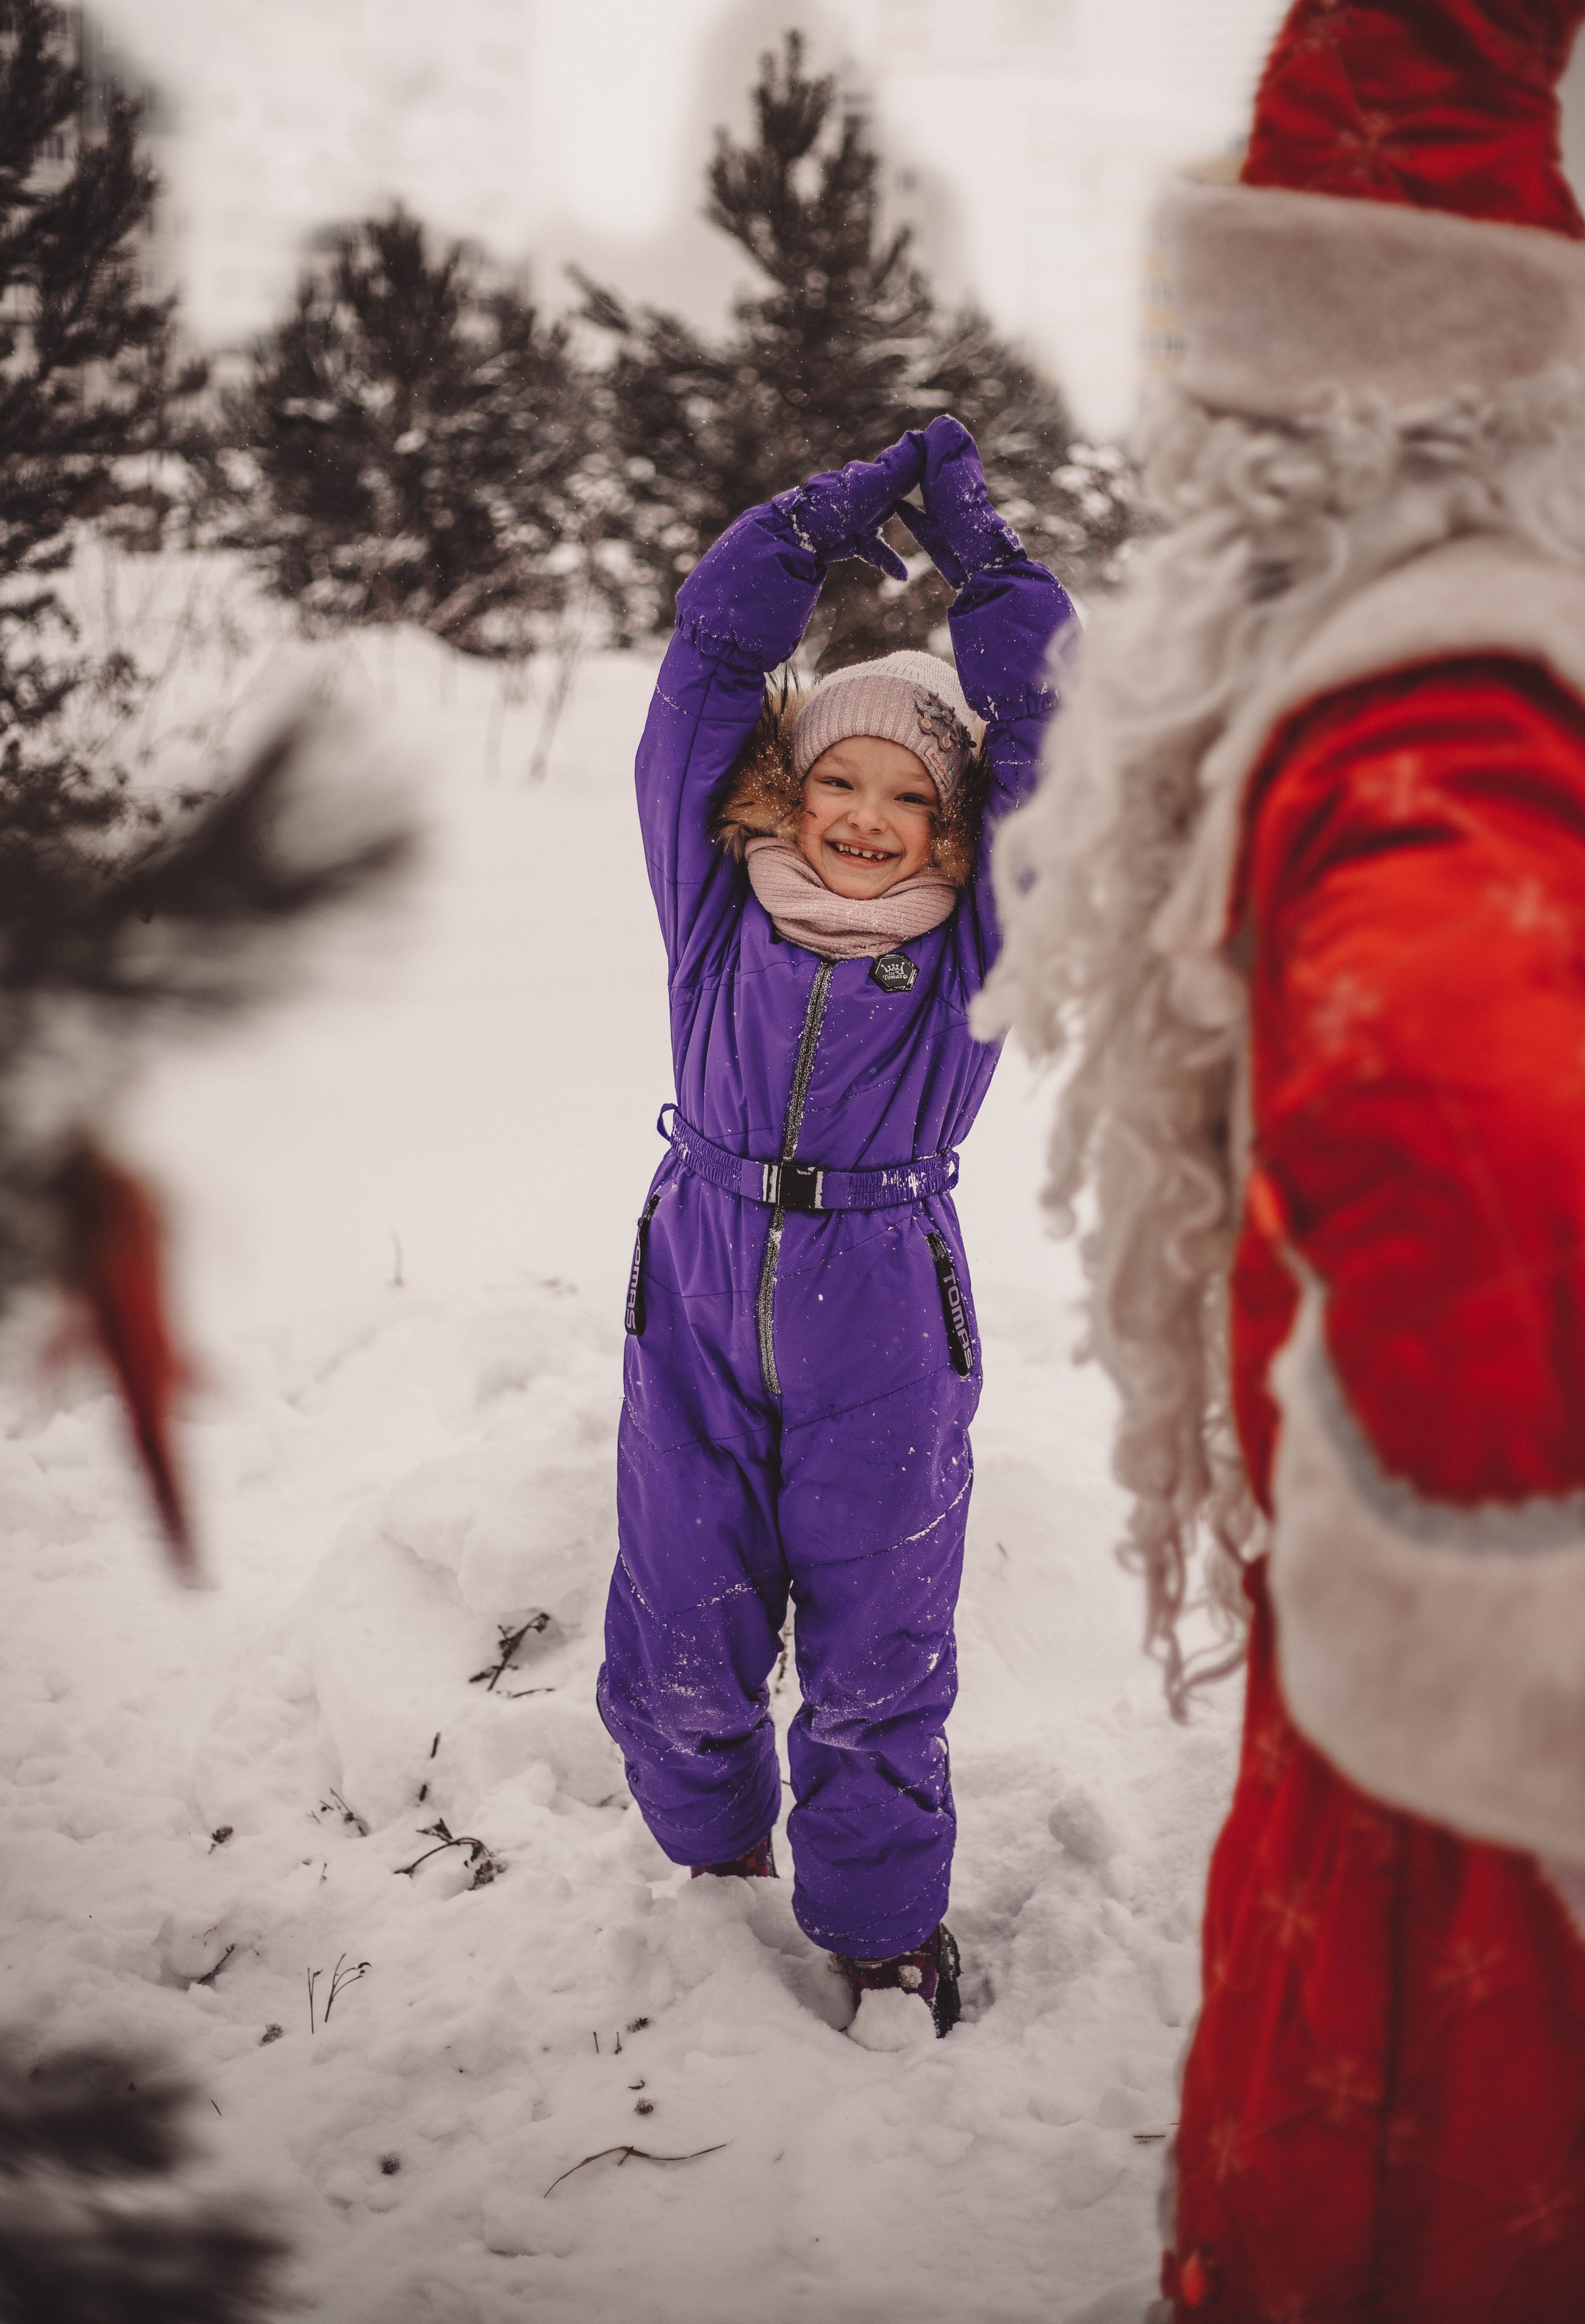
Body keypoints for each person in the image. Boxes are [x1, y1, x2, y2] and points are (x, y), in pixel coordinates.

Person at [984, 0, 1585, 2310]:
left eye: (1224, 398)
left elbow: (1461, 1084)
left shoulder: (1431, 702)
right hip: (1408, 1764)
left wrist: (1490, 1609)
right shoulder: (1443, 663)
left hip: (1478, 1843)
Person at [597, 415, 1072, 2037]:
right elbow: (707, 669)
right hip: (703, 1281)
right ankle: (710, 1845)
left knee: (880, 1646)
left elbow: (1054, 745)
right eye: (836, 780)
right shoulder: (713, 907)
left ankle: (882, 1932)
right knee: (678, 1603)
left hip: (884, 1303)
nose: (866, 816)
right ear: (786, 793)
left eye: (908, 794)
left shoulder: (973, 952)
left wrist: (991, 574)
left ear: (953, 825)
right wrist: (805, 529)